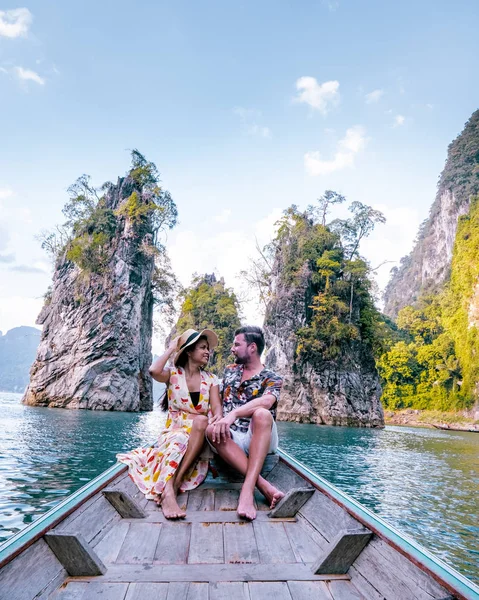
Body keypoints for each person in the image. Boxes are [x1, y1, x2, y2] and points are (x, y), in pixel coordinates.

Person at [117, 328, 222, 519]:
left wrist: (217, 418)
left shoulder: (211, 379)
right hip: (174, 433)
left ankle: (173, 485)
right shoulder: (173, 375)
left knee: (201, 420)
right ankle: (169, 491)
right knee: (179, 438)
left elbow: (217, 409)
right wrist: (171, 348)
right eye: (202, 348)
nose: (208, 352)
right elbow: (153, 370)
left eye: (208, 348)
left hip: (198, 438)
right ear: (189, 351)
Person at [206, 326, 285, 520]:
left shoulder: (272, 378)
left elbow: (267, 402)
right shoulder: (230, 371)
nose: (232, 348)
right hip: (231, 437)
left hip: (258, 436)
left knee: (262, 414)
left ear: (252, 347)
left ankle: (247, 491)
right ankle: (263, 485)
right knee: (210, 430)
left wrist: (234, 414)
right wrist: (215, 415)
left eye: (236, 344)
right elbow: (215, 398)